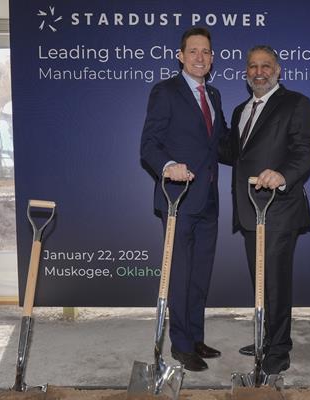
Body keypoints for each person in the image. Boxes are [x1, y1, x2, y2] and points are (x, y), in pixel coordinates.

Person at [220, 45, 310, 375]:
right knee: (261, 280)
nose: (259, 71)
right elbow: (232, 153)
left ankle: (279, 349)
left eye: (265, 65)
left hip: (279, 208)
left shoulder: (296, 103)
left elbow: (304, 152)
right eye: (252, 66)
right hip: (250, 209)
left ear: (278, 70)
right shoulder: (240, 111)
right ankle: (267, 338)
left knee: (275, 281)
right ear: (246, 72)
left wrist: (282, 175)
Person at [140, 27, 227, 372]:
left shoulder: (214, 95)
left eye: (206, 52)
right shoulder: (165, 92)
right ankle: (180, 345)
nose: (200, 57)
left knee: (200, 275)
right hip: (178, 199)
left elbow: (220, 145)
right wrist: (169, 166)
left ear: (212, 58)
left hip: (209, 200)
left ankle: (196, 337)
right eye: (193, 51)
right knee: (180, 274)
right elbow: (148, 145)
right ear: (180, 56)